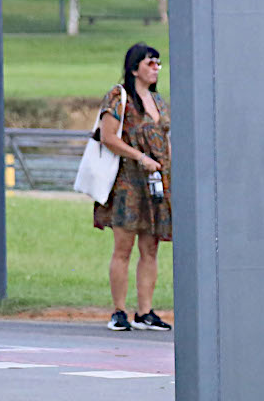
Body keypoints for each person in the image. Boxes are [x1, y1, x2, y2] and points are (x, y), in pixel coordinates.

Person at [93, 43, 173, 333]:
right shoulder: (119, 96)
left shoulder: (158, 101)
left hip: (155, 184)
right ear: (134, 67)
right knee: (123, 248)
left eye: (157, 64)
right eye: (150, 63)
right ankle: (119, 311)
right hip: (128, 182)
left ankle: (146, 311)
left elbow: (166, 139)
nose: (155, 68)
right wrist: (141, 157)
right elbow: (108, 137)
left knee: (150, 248)